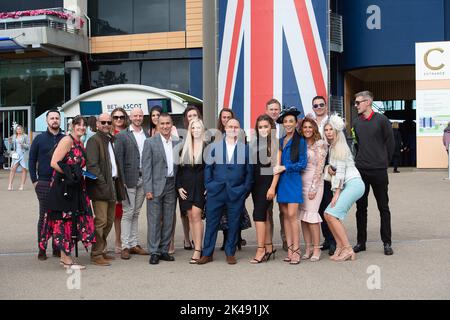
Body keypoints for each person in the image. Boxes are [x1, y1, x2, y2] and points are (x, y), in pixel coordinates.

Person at [40, 115, 95, 270]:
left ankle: (67, 257)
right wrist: (71, 173)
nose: (82, 128)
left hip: (76, 188)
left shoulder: (80, 142)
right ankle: (66, 260)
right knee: (63, 222)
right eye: (79, 125)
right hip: (63, 188)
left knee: (74, 222)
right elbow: (54, 163)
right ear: (72, 126)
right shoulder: (67, 140)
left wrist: (80, 174)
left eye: (84, 126)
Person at [197, 118, 253, 265]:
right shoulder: (214, 147)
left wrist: (244, 190)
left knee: (234, 223)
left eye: (236, 126)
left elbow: (249, 173)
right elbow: (208, 169)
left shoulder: (245, 149)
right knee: (211, 223)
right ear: (225, 128)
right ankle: (207, 253)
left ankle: (230, 252)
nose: (233, 129)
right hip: (216, 192)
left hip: (236, 193)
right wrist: (209, 185)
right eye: (230, 126)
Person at [352, 91, 395, 256]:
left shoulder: (382, 120)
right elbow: (356, 145)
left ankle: (387, 243)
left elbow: (390, 143)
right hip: (361, 170)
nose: (356, 105)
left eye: (358, 102)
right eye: (355, 103)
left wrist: (384, 162)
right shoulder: (356, 122)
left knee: (383, 207)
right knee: (361, 208)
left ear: (368, 102)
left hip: (378, 171)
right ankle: (361, 242)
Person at [86, 113, 127, 266]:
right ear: (97, 124)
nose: (106, 124)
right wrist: (103, 184)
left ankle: (101, 250)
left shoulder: (110, 140)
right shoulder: (93, 140)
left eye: (109, 122)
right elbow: (92, 166)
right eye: (103, 122)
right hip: (101, 187)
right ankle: (96, 253)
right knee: (101, 221)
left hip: (112, 185)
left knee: (109, 221)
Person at [323, 114, 365, 262]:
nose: (328, 132)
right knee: (328, 215)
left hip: (353, 184)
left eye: (331, 129)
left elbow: (340, 172)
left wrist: (336, 194)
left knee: (331, 214)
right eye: (326, 129)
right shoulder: (333, 146)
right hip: (348, 185)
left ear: (336, 131)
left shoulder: (340, 146)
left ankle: (347, 249)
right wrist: (328, 168)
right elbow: (334, 169)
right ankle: (340, 246)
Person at [143, 113, 180, 265]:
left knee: (169, 219)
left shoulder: (177, 142)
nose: (165, 126)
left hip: (172, 184)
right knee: (154, 220)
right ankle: (154, 251)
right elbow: (146, 168)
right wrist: (148, 189)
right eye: (162, 124)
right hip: (155, 185)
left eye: (168, 123)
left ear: (172, 125)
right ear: (157, 125)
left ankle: (164, 249)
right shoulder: (150, 142)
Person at [29, 109, 65, 260]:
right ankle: (41, 249)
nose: (55, 120)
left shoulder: (65, 139)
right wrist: (34, 180)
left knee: (59, 216)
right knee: (44, 216)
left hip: (62, 183)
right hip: (43, 182)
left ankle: (57, 248)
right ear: (47, 121)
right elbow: (31, 160)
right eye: (52, 118)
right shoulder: (39, 139)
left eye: (57, 118)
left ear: (59, 120)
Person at [115, 107, 150, 259]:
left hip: (144, 178)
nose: (137, 118)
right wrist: (121, 181)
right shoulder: (122, 136)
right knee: (128, 212)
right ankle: (125, 246)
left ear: (143, 117)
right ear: (130, 117)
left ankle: (134, 244)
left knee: (136, 213)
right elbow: (118, 160)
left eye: (140, 115)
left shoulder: (146, 134)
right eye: (135, 115)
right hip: (128, 179)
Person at [274, 107, 308, 265]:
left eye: (291, 121)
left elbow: (302, 164)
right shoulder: (280, 141)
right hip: (282, 182)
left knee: (293, 216)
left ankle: (296, 250)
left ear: (296, 123)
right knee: (285, 217)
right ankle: (289, 250)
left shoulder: (300, 141)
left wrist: (286, 167)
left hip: (293, 180)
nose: (288, 124)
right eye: (285, 121)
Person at [215, 107, 249, 250]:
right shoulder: (215, 136)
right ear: (221, 120)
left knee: (237, 211)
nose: (226, 119)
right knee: (223, 214)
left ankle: (236, 238)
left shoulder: (240, 135)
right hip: (221, 183)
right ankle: (226, 240)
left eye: (229, 116)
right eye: (224, 117)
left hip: (236, 183)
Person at [308, 96, 336, 255]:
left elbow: (337, 143)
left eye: (321, 105)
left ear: (326, 106)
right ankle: (327, 238)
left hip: (328, 168)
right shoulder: (311, 123)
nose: (318, 107)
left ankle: (333, 240)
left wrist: (332, 166)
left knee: (328, 205)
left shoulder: (331, 122)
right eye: (315, 105)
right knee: (318, 207)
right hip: (314, 169)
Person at [249, 115, 279, 263]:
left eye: (266, 126)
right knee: (265, 216)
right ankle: (269, 246)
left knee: (258, 215)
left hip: (267, 184)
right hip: (256, 184)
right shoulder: (255, 143)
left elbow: (277, 169)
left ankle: (260, 249)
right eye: (260, 127)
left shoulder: (274, 144)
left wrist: (273, 187)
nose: (263, 129)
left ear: (271, 127)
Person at [176, 119, 207, 264]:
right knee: (190, 217)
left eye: (198, 127)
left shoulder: (208, 148)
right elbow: (178, 171)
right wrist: (178, 187)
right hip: (186, 187)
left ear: (203, 129)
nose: (196, 130)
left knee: (197, 215)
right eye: (193, 127)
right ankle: (197, 244)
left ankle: (198, 249)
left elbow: (211, 170)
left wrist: (208, 186)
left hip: (201, 187)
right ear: (189, 130)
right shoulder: (184, 147)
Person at [298, 118, 327, 262]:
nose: (307, 129)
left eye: (310, 127)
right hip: (301, 183)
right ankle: (308, 247)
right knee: (303, 218)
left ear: (314, 128)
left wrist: (313, 188)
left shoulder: (320, 144)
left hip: (314, 184)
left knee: (312, 217)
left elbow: (320, 168)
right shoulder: (301, 143)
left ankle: (317, 248)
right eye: (305, 127)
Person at [264, 99, 287, 252]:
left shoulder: (285, 127)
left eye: (276, 109)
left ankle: (286, 239)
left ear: (280, 111)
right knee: (267, 210)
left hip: (284, 174)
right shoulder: (262, 128)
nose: (274, 112)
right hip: (267, 175)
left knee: (284, 210)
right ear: (266, 111)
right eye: (271, 109)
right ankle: (268, 242)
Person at [110, 107, 129, 254]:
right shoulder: (108, 135)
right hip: (111, 177)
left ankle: (120, 239)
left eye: (121, 117)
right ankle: (111, 240)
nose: (118, 120)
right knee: (110, 212)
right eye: (115, 117)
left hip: (125, 177)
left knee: (123, 212)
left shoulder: (128, 134)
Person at [8, 125, 30, 191]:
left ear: (22, 129)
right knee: (13, 169)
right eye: (17, 129)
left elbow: (28, 146)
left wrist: (23, 145)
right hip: (16, 155)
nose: (19, 130)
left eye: (20, 129)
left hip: (23, 154)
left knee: (24, 170)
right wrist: (10, 141)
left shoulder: (25, 136)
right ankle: (10, 185)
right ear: (16, 130)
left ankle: (22, 185)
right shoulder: (14, 136)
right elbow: (11, 144)